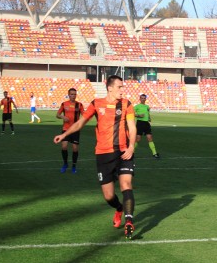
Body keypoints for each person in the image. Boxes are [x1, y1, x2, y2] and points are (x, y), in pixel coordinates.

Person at [53, 75, 138, 239]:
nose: (122, 90)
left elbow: (132, 127)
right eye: (119, 87)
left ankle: (129, 221)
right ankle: (119, 208)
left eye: (123, 87)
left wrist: (131, 146)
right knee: (108, 196)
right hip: (103, 154)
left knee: (126, 184)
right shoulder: (96, 103)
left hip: (123, 152)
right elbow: (79, 123)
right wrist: (64, 135)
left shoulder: (127, 104)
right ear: (110, 88)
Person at [56, 88, 85, 173]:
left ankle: (74, 165)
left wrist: (81, 122)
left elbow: (84, 115)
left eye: (74, 94)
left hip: (75, 129)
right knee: (64, 146)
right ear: (68, 95)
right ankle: (65, 164)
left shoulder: (79, 105)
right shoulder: (64, 104)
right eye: (72, 94)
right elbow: (57, 114)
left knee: (75, 148)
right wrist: (62, 117)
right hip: (66, 129)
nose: (73, 96)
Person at [134, 94, 160, 159]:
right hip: (140, 123)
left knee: (150, 138)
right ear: (140, 99)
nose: (143, 99)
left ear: (145, 99)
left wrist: (149, 118)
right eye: (142, 98)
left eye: (144, 98)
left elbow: (148, 113)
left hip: (146, 124)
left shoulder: (147, 107)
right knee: (138, 139)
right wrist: (138, 116)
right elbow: (132, 113)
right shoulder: (136, 106)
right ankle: (131, 153)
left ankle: (155, 153)